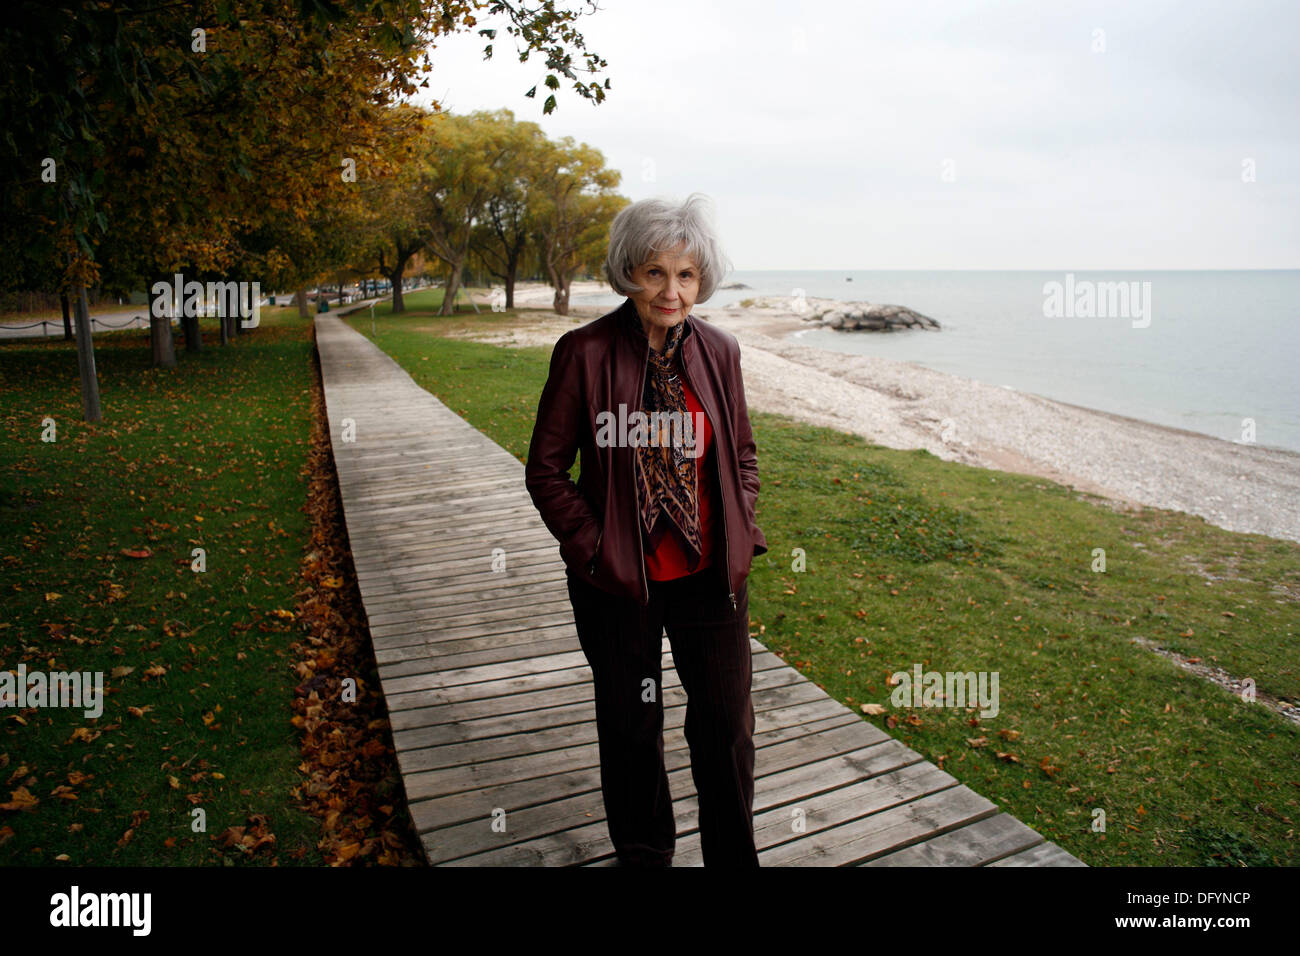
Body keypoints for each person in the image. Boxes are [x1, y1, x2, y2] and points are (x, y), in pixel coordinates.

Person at [525, 193, 768, 867]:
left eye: (686, 275)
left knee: (725, 729)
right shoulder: (584, 352)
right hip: (619, 584)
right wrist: (596, 549)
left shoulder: (721, 351)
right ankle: (644, 856)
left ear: (702, 281)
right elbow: (546, 470)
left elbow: (742, 456)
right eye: (655, 272)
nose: (671, 290)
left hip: (709, 578)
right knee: (633, 729)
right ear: (628, 272)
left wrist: (741, 529)